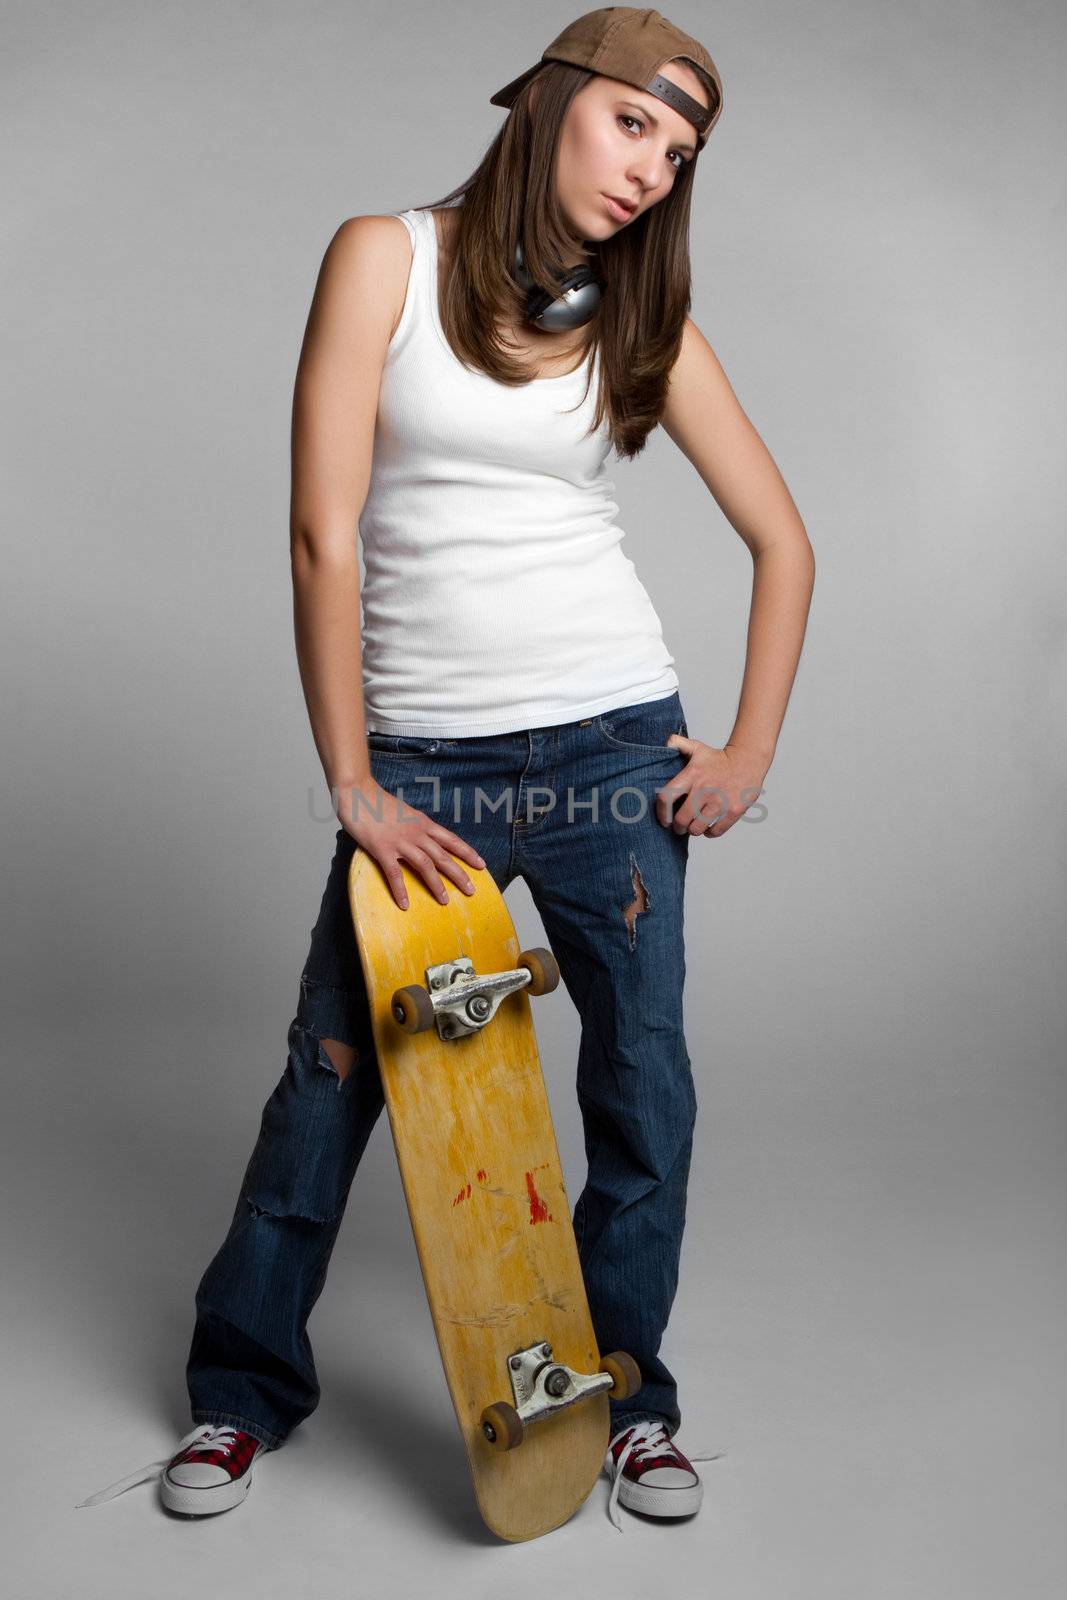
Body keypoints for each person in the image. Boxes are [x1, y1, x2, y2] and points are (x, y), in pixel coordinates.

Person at [78, 7, 815, 1531]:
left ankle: (627, 1405)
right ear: (555, 99)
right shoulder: (384, 258)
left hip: (618, 749)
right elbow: (321, 535)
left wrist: (747, 750)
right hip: (425, 770)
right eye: (634, 128)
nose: (651, 172)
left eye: (679, 159)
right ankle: (240, 1394)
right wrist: (351, 779)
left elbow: (784, 540)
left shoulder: (635, 311)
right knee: (330, 1084)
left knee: (640, 1089)